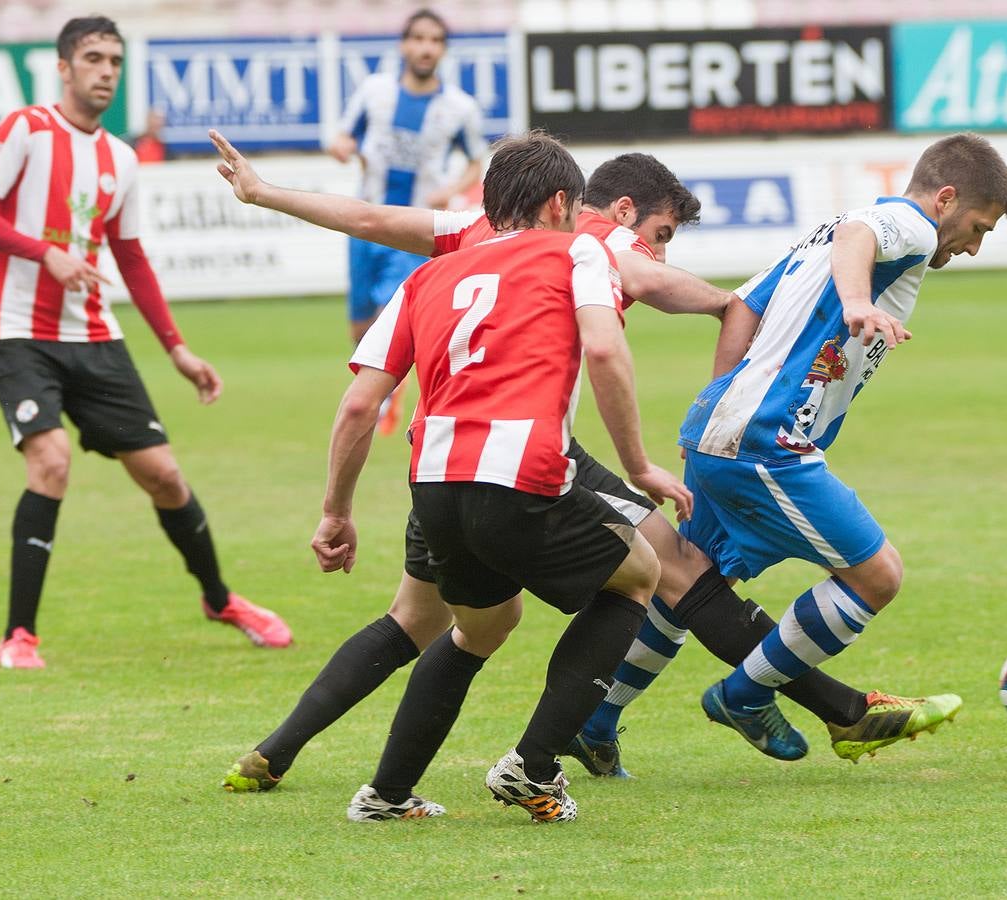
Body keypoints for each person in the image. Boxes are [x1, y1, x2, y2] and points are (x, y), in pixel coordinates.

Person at [210, 131, 962, 794]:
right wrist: (719, 310)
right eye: (662, 232)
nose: (658, 249)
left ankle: (277, 752)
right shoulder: (595, 240)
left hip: (441, 455)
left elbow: (373, 220)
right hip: (527, 452)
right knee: (670, 571)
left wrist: (264, 191)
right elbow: (653, 287)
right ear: (609, 209)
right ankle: (829, 709)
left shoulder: (471, 233)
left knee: (428, 619)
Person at [305, 130, 691, 822]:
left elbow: (361, 402)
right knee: (638, 574)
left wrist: (335, 511)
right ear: (560, 204)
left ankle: (386, 795)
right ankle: (532, 767)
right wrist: (637, 464)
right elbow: (604, 349)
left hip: (433, 485)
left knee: (478, 628)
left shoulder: (427, 276)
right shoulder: (578, 249)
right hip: (520, 466)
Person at [0, 16, 291, 670]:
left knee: (164, 475)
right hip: (20, 332)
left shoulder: (122, 158)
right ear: (63, 67)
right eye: (93, 58)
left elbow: (131, 259)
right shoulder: (26, 128)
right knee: (50, 462)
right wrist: (45, 254)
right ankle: (19, 635)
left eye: (114, 60)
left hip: (96, 337)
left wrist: (177, 349)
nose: (106, 70)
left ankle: (220, 600)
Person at [686, 134, 1007, 759]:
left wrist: (711, 411)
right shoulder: (911, 225)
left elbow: (741, 308)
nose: (973, 245)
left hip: (726, 429)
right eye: (977, 227)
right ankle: (745, 695)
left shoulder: (817, 237)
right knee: (876, 575)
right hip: (768, 440)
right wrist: (859, 302)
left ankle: (595, 724)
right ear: (946, 199)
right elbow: (862, 234)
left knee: (686, 581)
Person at [331, 8, 486, 433]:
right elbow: (343, 135)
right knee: (361, 323)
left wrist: (450, 190)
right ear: (404, 45)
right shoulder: (374, 91)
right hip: (365, 221)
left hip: (416, 227)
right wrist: (343, 146)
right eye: (419, 39)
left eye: (435, 41)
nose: (426, 47)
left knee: (390, 313)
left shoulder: (459, 107)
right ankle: (377, 390)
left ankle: (383, 399)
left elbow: (476, 161)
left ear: (442, 50)